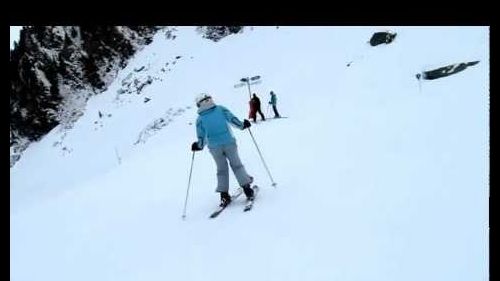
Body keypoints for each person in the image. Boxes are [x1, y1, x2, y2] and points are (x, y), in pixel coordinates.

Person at [191, 93, 255, 207]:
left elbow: (202, 136)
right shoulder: (220, 109)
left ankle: (224, 196)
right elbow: (232, 119)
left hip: (214, 147)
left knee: (221, 169)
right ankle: (247, 189)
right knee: (237, 165)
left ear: (199, 104)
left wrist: (199, 146)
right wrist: (242, 125)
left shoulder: (200, 119)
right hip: (229, 142)